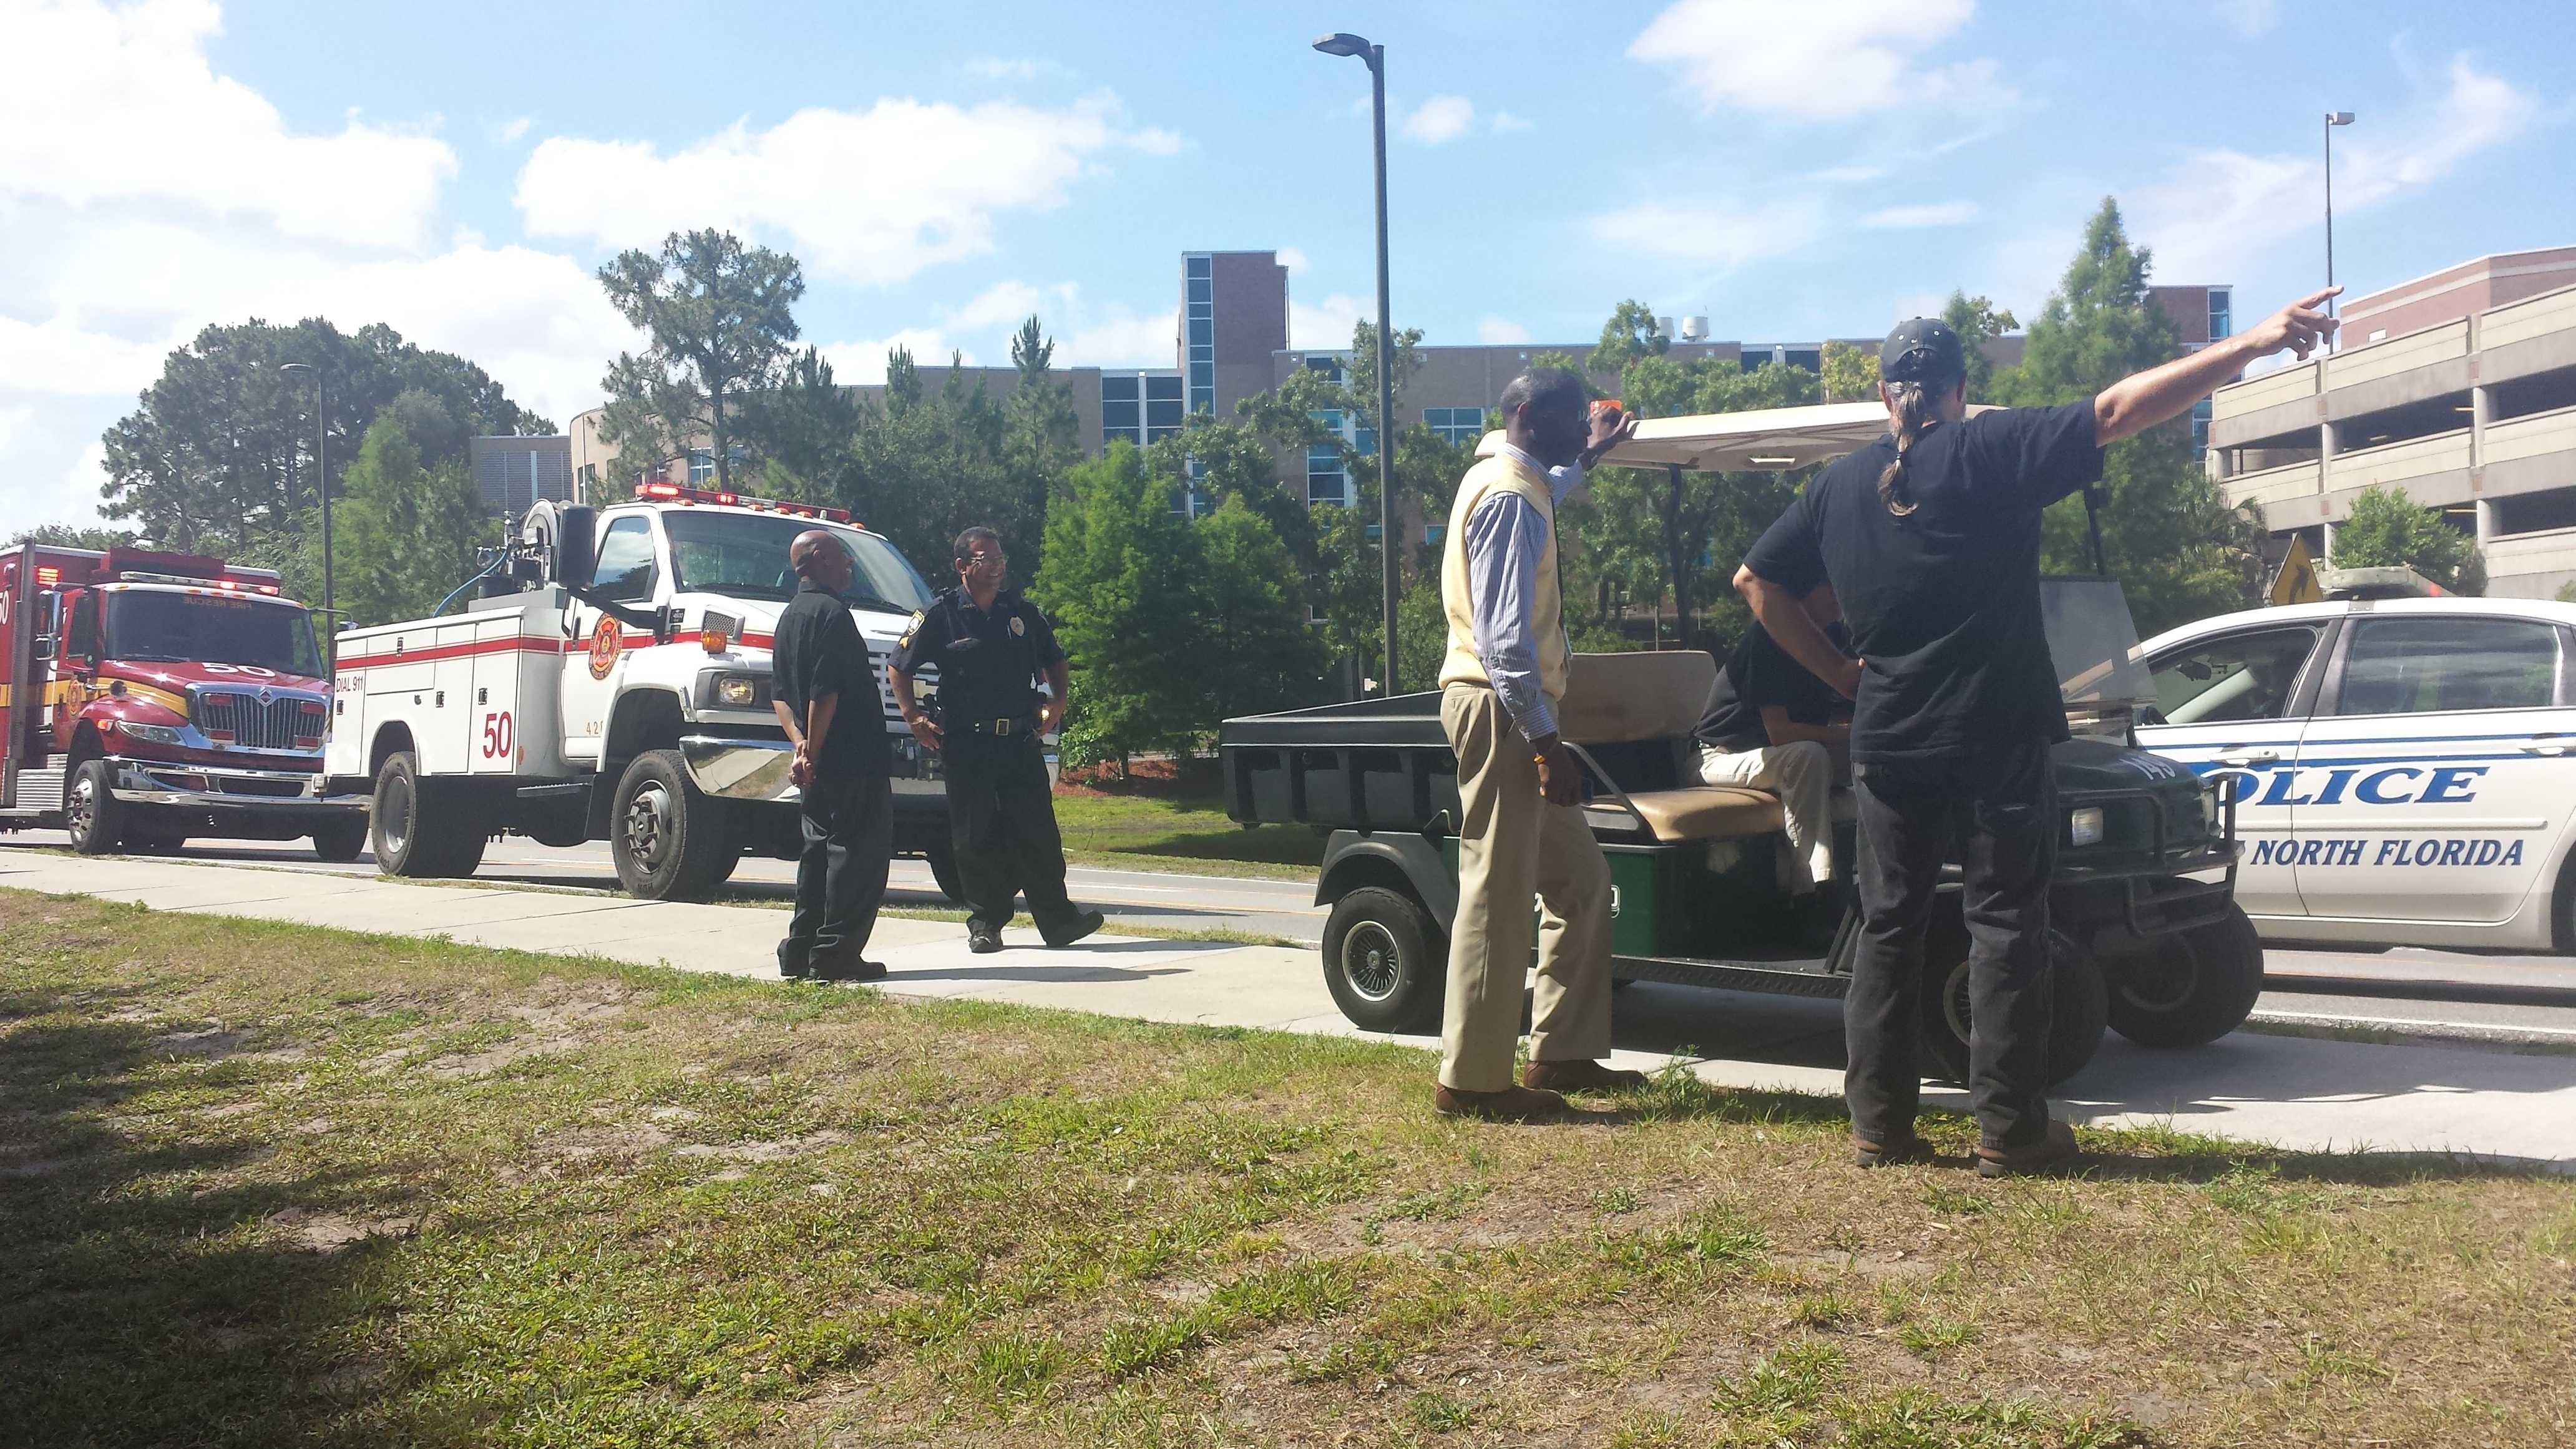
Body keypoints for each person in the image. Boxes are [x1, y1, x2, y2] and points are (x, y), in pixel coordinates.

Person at [1736, 290, 2338, 1176]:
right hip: (1995, 730)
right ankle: (2011, 1130)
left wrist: (1839, 675)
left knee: (1891, 927)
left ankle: (1878, 1126)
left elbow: (1756, 583)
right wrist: (2249, 341)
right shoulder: (1991, 447)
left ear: (1882, 394)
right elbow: (2119, 409)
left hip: (1890, 737)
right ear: (1958, 387)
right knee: (2005, 923)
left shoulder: (1834, 488)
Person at [1431, 367, 1642, 1120]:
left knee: (1581, 884)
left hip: (1513, 710)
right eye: (1567, 416)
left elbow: (1552, 481)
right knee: (1497, 890)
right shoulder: (1510, 499)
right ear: (1526, 415)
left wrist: (1592, 456)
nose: (1579, 423)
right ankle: (1473, 1084)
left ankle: (1562, 1054)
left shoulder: (1513, 479)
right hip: (1505, 709)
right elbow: (1503, 641)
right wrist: (1548, 744)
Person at [889, 527, 1105, 955]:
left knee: (1038, 832)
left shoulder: (1020, 612)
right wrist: (913, 716)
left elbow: (1055, 660)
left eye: (1000, 559)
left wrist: (1058, 703)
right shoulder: (940, 615)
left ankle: (1058, 921)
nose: (996, 567)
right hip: (967, 744)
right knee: (975, 836)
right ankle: (986, 923)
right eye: (986, 560)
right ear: (962, 566)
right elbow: (900, 666)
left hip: (1019, 740)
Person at [770, 529, 892, 982]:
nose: (850, 565)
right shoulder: (833, 615)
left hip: (817, 762)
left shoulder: (790, 616)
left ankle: (801, 950)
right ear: (819, 560)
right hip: (852, 757)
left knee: (817, 854)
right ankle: (836, 954)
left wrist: (800, 747)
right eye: (843, 556)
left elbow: (780, 696)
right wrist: (814, 751)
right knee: (857, 857)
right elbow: (827, 691)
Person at [1694, 586, 1850, 935]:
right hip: (1722, 757)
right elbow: (1780, 733)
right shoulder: (1768, 639)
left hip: (1781, 759)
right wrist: (1851, 735)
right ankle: (1811, 892)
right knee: (1808, 755)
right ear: (1802, 594)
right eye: (1830, 587)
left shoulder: (1836, 637)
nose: (1841, 594)